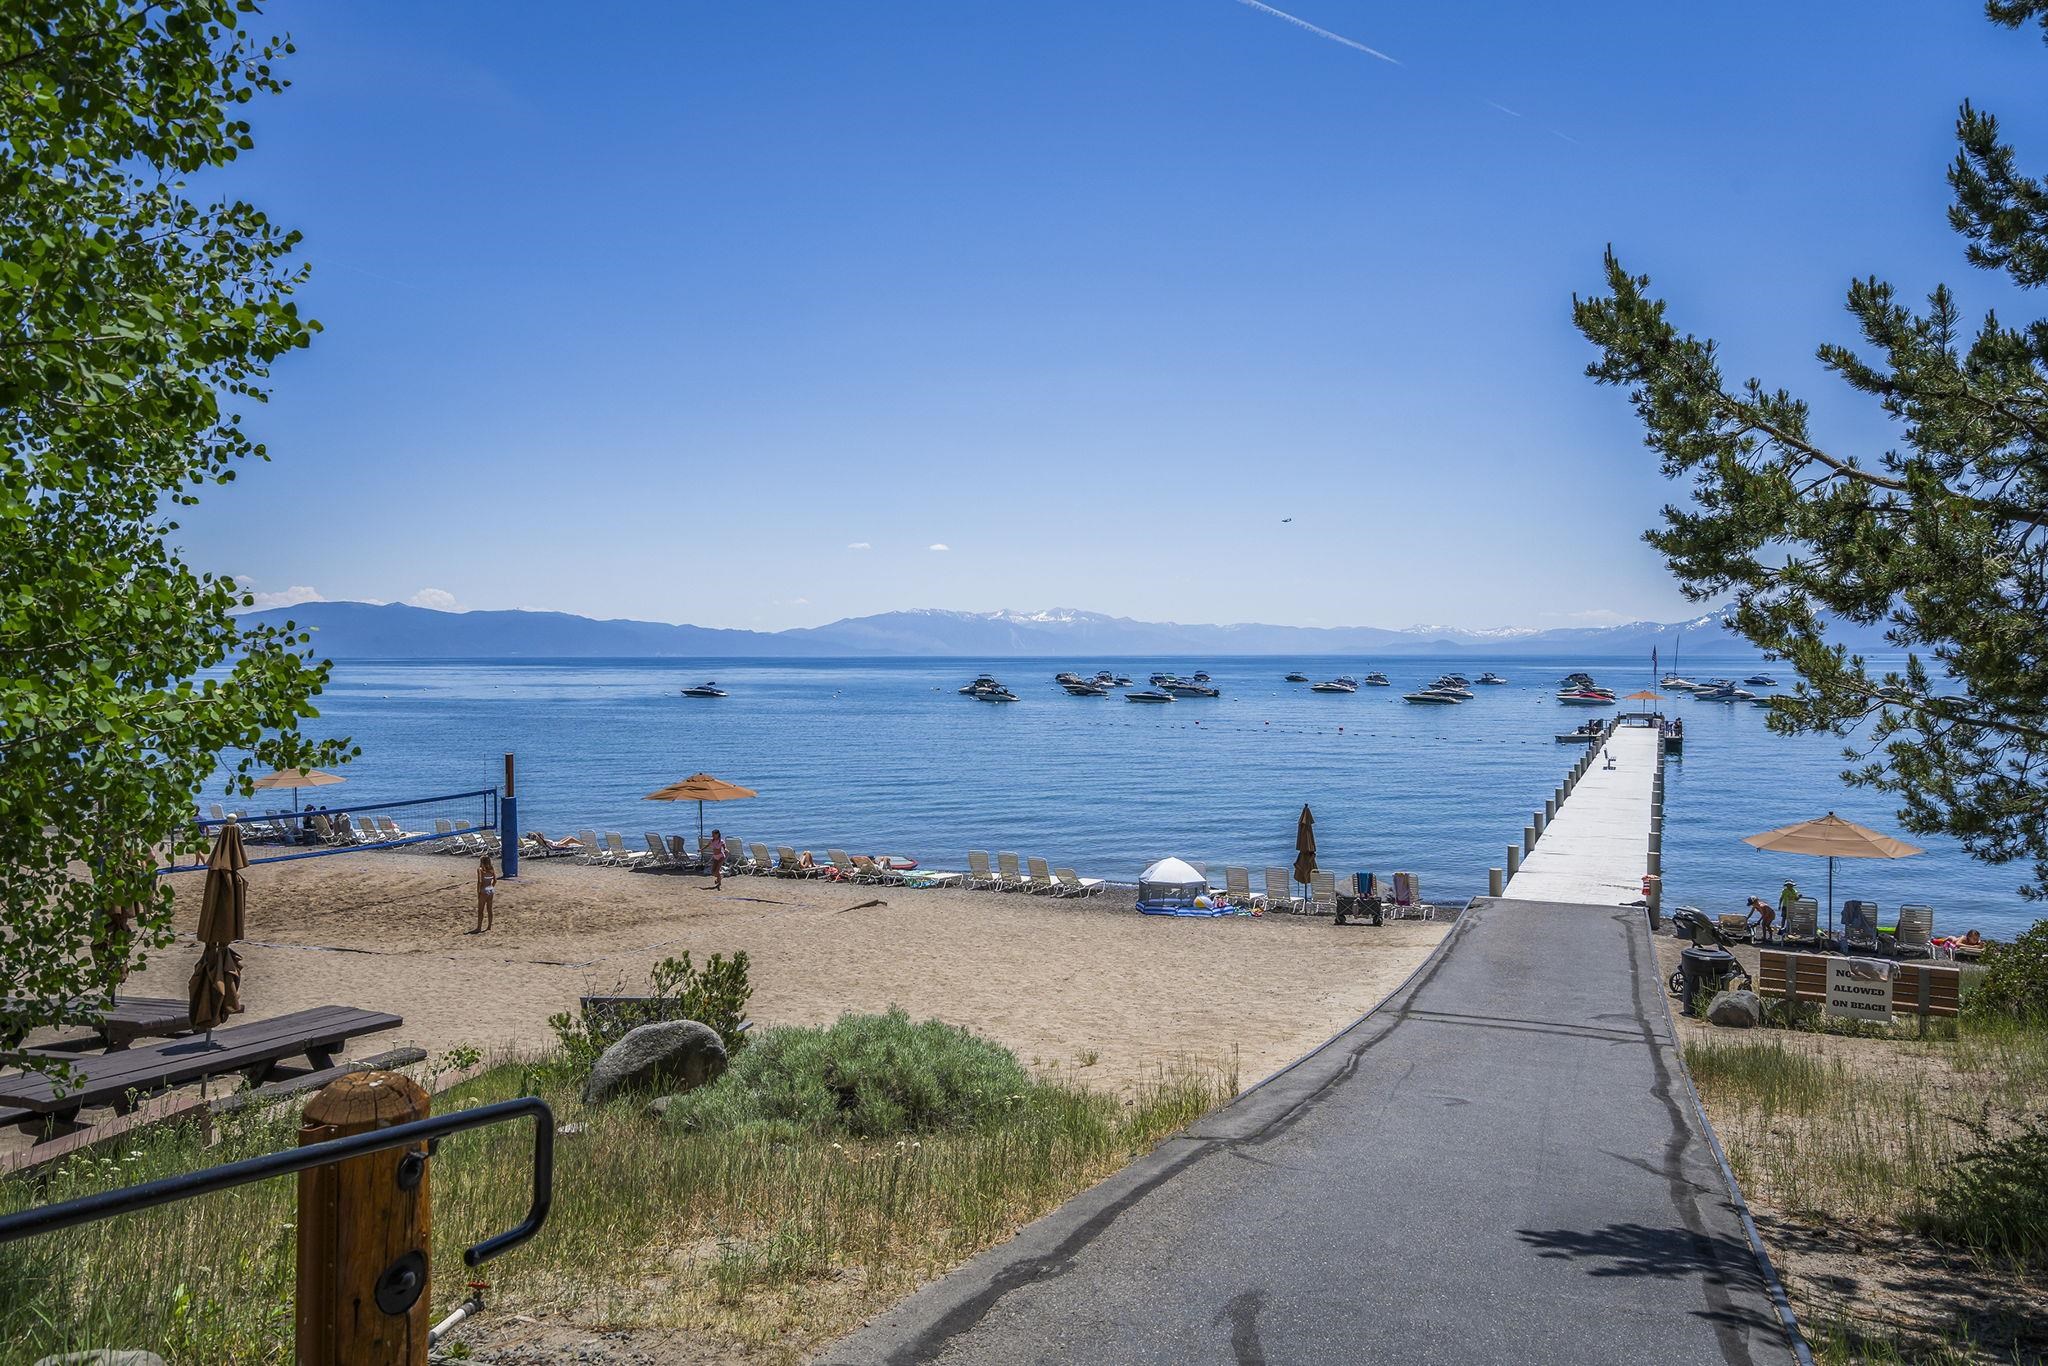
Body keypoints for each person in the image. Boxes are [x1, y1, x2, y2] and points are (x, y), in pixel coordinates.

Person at [472, 854, 497, 934]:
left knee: (481, 910)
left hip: (484, 890)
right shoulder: (492, 869)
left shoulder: (480, 869)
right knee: (489, 909)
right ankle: (489, 926)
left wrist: (478, 891)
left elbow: (480, 881)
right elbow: (495, 880)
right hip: (491, 889)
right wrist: (491, 887)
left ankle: (479, 928)